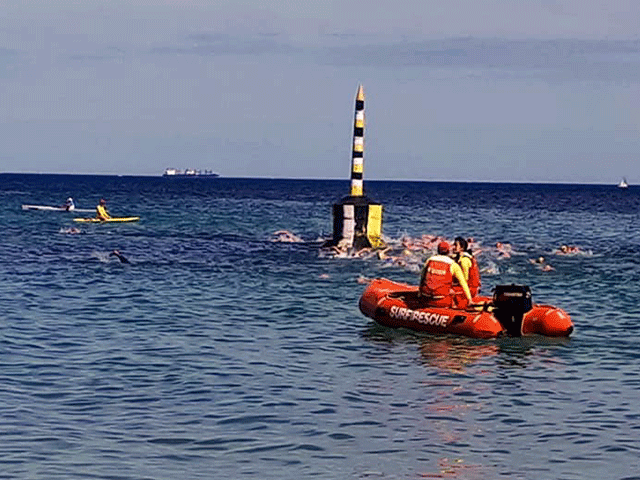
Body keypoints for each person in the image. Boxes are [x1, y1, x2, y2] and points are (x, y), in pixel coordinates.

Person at [419, 241, 473, 308]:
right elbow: (463, 283)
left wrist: (419, 294)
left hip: (425, 298)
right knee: (452, 292)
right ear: (448, 251)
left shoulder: (429, 260)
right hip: (442, 301)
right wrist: (470, 300)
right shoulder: (453, 264)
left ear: (438, 250)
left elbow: (422, 278)